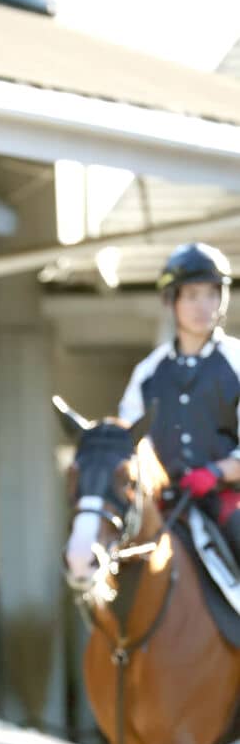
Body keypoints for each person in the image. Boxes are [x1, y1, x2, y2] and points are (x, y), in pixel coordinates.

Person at [119, 242, 240, 565]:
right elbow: (127, 443)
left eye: (211, 294)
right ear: (172, 300)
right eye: (191, 295)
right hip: (162, 505)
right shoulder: (147, 373)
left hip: (227, 500)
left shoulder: (237, 362)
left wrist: (216, 472)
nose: (204, 305)